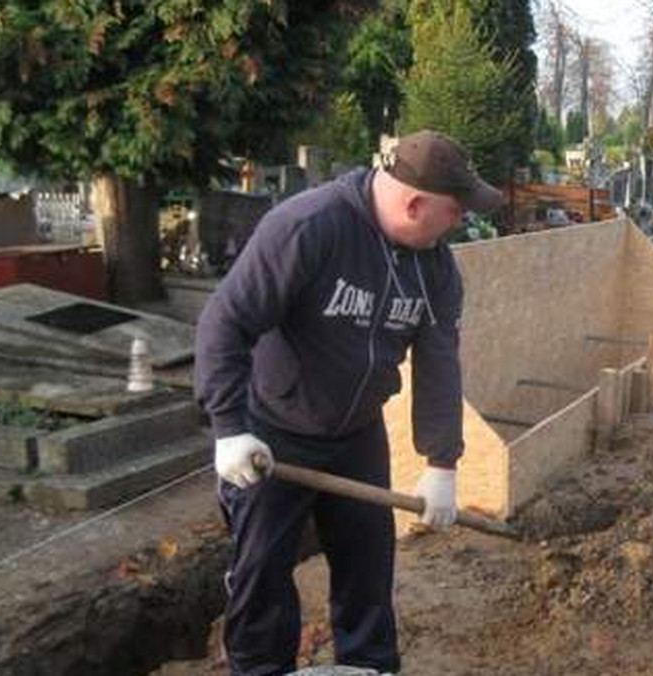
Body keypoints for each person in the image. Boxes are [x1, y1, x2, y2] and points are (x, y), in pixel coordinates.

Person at [194, 130, 502, 676]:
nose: (459, 223)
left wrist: (441, 463)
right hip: (273, 432)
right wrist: (228, 426)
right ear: (414, 203)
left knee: (367, 571)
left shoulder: (435, 269)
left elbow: (438, 361)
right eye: (454, 211)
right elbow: (227, 320)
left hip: (357, 434)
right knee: (261, 575)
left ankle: (371, 668)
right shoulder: (309, 228)